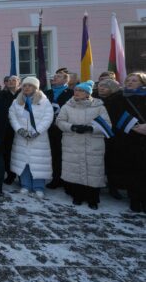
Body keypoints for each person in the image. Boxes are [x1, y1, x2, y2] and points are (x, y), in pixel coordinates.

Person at [56, 80, 111, 209]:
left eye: (81, 90)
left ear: (88, 93)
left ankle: (93, 198)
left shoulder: (99, 107)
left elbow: (107, 125)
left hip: (93, 143)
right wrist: (72, 127)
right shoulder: (67, 106)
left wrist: (91, 129)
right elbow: (59, 121)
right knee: (75, 169)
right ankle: (77, 196)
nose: (77, 92)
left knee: (93, 171)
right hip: (72, 142)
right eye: (76, 90)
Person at [104, 72, 146, 212]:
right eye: (128, 80)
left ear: (142, 83)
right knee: (132, 170)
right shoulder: (118, 97)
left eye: (134, 80)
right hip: (127, 139)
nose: (130, 82)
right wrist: (134, 128)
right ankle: (134, 199)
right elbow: (113, 115)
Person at [9, 77, 54, 198]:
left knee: (38, 163)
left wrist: (37, 131)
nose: (26, 88)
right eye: (24, 86)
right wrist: (20, 130)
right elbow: (12, 117)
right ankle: (25, 185)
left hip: (38, 139)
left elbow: (48, 118)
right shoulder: (17, 102)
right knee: (24, 162)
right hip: (21, 138)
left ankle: (39, 187)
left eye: (29, 85)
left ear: (36, 87)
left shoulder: (44, 101)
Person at [45, 70, 74, 189]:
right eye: (55, 76)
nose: (55, 78)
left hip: (65, 128)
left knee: (66, 154)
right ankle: (56, 178)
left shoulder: (71, 93)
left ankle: (67, 179)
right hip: (50, 128)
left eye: (59, 76)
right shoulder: (47, 92)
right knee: (54, 154)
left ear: (65, 80)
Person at [97, 78, 123, 199]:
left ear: (112, 89)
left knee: (112, 162)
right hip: (96, 135)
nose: (101, 88)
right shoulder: (94, 99)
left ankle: (113, 187)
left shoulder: (119, 100)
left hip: (113, 136)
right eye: (100, 86)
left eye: (105, 87)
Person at [0, 75, 21, 185]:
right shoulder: (3, 95)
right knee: (8, 152)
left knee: (21, 153)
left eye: (14, 80)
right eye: (9, 80)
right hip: (7, 128)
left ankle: (22, 176)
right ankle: (10, 174)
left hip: (22, 128)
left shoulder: (23, 94)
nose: (11, 82)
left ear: (19, 83)